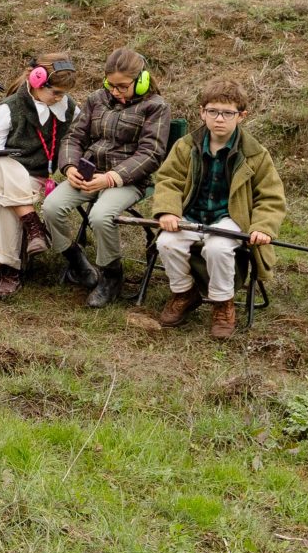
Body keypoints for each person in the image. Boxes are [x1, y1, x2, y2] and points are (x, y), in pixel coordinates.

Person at [147, 78, 288, 341]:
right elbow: (168, 180)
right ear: (202, 112)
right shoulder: (186, 146)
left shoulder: (255, 154)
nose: (219, 119)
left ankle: (223, 303)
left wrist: (262, 227)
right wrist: (168, 211)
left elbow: (270, 197)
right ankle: (184, 293)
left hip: (230, 217)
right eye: (212, 111)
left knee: (218, 248)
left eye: (227, 113)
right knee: (166, 242)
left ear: (242, 116)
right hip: (192, 214)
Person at [36, 48, 171, 308]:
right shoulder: (96, 99)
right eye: (111, 85)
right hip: (88, 174)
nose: (115, 92)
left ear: (141, 81)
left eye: (122, 86)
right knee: (51, 207)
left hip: (128, 181)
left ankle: (111, 275)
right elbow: (74, 137)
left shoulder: (156, 107)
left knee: (100, 216)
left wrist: (111, 178)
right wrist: (70, 167)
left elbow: (151, 154)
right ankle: (76, 260)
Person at [0, 55, 77, 299]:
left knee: (4, 205)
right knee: (2, 164)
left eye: (64, 93)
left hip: (34, 178)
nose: (60, 98)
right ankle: (34, 225)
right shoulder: (9, 107)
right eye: (56, 92)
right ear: (37, 81)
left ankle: (9, 271)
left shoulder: (69, 108)